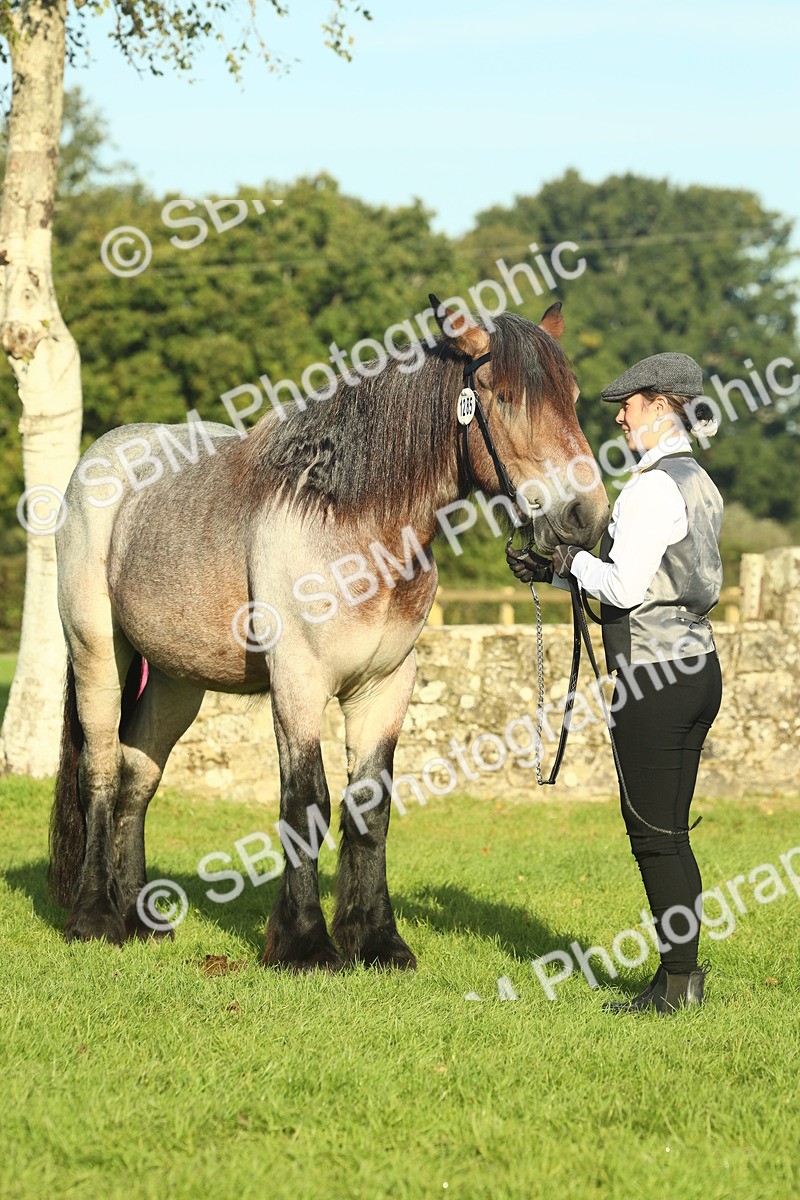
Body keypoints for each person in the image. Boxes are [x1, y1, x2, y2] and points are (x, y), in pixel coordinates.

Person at [507, 352, 724, 1014]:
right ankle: (679, 976)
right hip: (696, 667)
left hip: (653, 676)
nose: (622, 417)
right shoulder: (699, 482)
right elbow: (656, 579)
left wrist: (572, 559)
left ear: (663, 406)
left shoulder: (650, 488)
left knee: (653, 835)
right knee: (670, 831)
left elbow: (626, 587)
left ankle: (677, 984)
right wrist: (558, 572)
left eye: (630, 405)